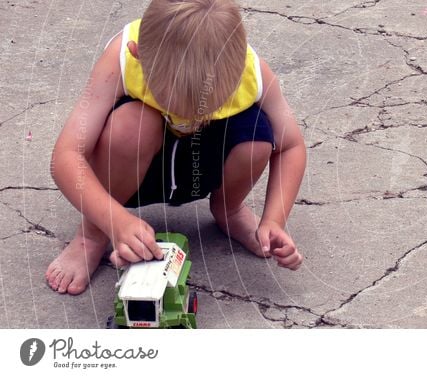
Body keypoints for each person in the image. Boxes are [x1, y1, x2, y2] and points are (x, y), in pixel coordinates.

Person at [46, 0, 306, 295]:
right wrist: (112, 219)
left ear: (238, 72)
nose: (190, 118)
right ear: (139, 56)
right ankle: (91, 236)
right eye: (172, 102)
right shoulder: (121, 58)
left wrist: (275, 219)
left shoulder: (253, 72)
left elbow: (291, 146)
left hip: (202, 161)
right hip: (131, 168)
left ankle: (229, 210)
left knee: (258, 139)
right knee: (131, 125)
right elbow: (66, 155)